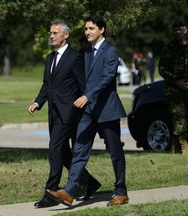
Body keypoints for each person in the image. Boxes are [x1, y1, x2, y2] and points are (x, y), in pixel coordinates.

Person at [46, 16, 129, 207]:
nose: (87, 32)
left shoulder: (110, 51)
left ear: (102, 30)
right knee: (79, 150)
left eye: (91, 28)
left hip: (107, 110)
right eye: (85, 29)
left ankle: (121, 192)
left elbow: (107, 78)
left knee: (115, 152)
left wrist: (87, 96)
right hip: (88, 111)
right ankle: (68, 192)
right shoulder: (87, 53)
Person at [28, 20, 100, 208]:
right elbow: (47, 84)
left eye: (55, 33)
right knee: (64, 153)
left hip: (70, 114)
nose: (51, 36)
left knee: (54, 151)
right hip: (54, 113)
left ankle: (51, 193)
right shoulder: (50, 58)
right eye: (50, 33)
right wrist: (38, 102)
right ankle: (89, 182)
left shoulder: (75, 57)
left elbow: (83, 85)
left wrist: (87, 106)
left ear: (65, 35)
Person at [158, 21, 188, 154]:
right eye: (176, 30)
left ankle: (174, 144)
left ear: (186, 30)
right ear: (173, 32)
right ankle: (184, 144)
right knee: (179, 114)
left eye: (181, 29)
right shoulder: (169, 48)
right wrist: (176, 81)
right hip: (173, 88)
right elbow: (162, 69)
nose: (178, 32)